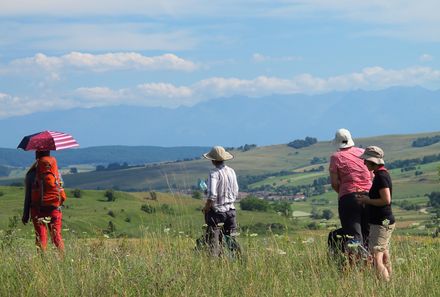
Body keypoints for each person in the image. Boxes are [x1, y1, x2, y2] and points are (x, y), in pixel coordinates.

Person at [357, 146, 395, 282]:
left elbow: (386, 200)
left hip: (381, 222)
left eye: (366, 160)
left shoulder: (381, 176)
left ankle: (385, 286)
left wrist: (367, 200)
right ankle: (391, 283)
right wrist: (367, 195)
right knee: (384, 254)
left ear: (373, 162)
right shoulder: (381, 174)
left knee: (376, 258)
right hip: (383, 221)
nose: (364, 163)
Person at [329, 128, 373, 247]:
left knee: (354, 236)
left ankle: (356, 263)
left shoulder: (336, 157)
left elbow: (334, 183)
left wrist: (344, 193)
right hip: (369, 196)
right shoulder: (363, 152)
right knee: (369, 233)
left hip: (349, 199)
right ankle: (372, 262)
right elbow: (371, 175)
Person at [22, 150, 66, 252]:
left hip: (37, 210)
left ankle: (42, 263)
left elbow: (28, 196)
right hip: (54, 209)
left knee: (41, 237)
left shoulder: (31, 175)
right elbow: (61, 191)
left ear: (37, 155)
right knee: (56, 237)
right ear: (49, 154)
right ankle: (63, 260)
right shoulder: (56, 173)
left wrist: (26, 215)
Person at [202, 146, 239, 256]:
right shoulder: (231, 171)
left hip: (217, 212)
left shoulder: (213, 173)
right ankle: (238, 260)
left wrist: (206, 207)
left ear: (213, 160)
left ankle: (214, 263)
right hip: (231, 210)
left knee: (213, 241)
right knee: (231, 239)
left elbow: (212, 194)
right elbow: (236, 190)